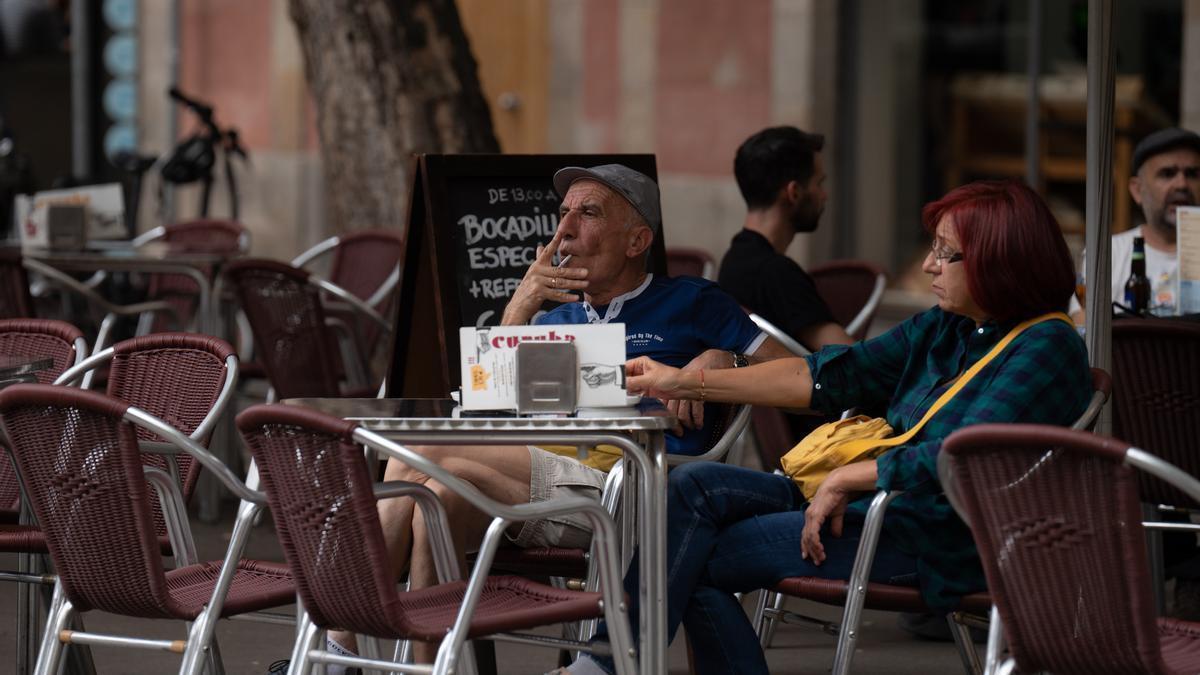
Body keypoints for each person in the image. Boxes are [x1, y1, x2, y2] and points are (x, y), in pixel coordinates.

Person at [562, 180, 1092, 675]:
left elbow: (964, 453)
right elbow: (829, 376)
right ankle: (606, 663)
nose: (928, 265)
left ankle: (605, 664)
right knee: (693, 485)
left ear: (1001, 258)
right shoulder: (948, 325)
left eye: (945, 252)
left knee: (692, 555)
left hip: (930, 533)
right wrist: (683, 383)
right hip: (867, 505)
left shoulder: (1047, 345)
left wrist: (850, 478)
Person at [320, 163, 790, 670]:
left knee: (419, 455)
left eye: (587, 213)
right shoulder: (555, 316)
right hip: (538, 483)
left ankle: (333, 651)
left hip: (627, 492)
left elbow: (792, 371)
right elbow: (489, 409)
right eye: (563, 213)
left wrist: (722, 361)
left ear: (637, 241)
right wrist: (519, 308)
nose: (564, 229)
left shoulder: (693, 301)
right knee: (435, 493)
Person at [718, 125, 852, 350]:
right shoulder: (778, 274)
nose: (824, 195)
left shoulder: (732, 261)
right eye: (819, 183)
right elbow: (854, 363)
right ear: (794, 192)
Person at [1072, 127, 1200, 319]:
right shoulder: (1107, 254)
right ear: (1137, 190)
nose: (1182, 184)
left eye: (1192, 174)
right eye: (1167, 173)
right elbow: (1081, 322)